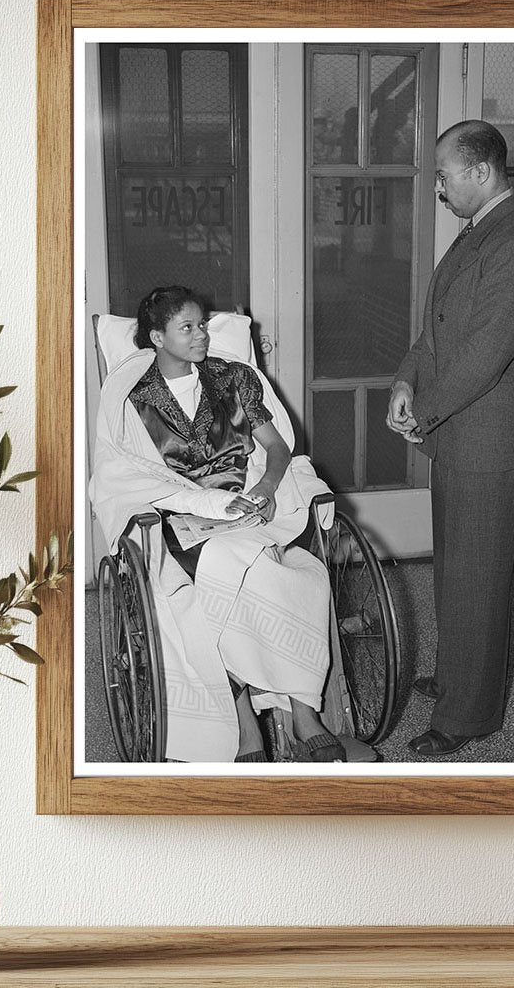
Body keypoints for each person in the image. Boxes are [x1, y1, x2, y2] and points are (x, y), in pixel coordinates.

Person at [91, 286, 346, 763]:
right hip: (181, 518)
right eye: (187, 327)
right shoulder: (132, 398)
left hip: (247, 506)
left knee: (287, 574)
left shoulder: (233, 378)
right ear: (157, 337)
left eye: (203, 325)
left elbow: (277, 447)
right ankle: (247, 720)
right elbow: (123, 472)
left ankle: (301, 710)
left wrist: (267, 487)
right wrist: (202, 503)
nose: (201, 335)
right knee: (239, 569)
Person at [386, 120, 514, 757]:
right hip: (458, 432)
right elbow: (435, 330)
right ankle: (459, 677)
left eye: (444, 176)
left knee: (479, 580)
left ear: (481, 172)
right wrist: (406, 381)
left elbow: (483, 355)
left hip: (489, 440)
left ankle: (469, 714)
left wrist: (422, 413)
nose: (438, 188)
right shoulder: (477, 231)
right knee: (455, 570)